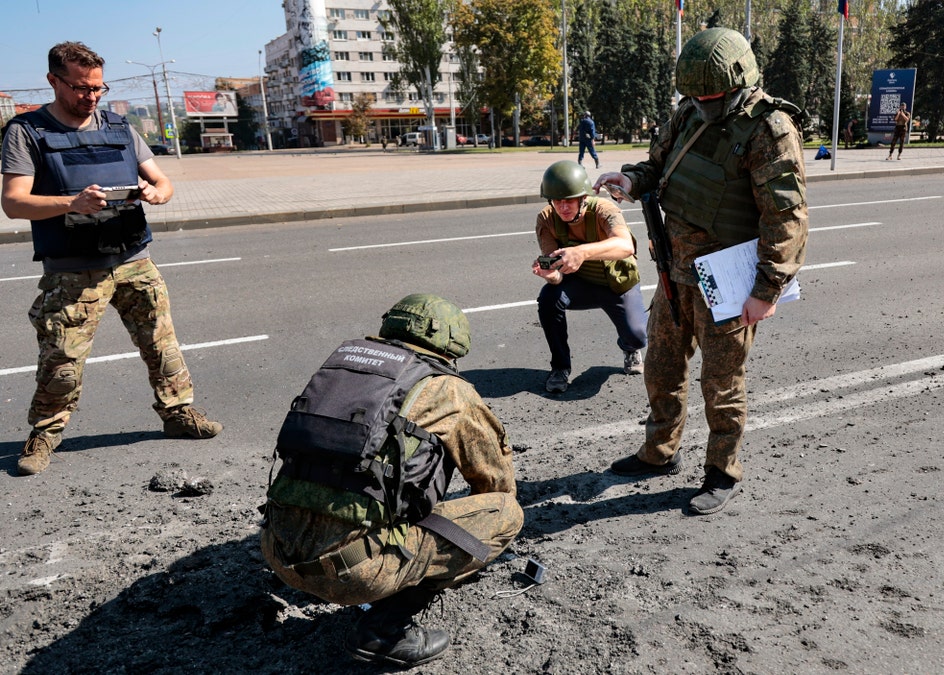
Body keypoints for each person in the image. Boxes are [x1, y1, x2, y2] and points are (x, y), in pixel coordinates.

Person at [593, 27, 807, 515]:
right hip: (676, 271)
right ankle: (659, 452)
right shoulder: (688, 113)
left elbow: (786, 218)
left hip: (729, 283)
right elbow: (658, 168)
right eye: (697, 95)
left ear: (739, 82)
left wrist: (768, 289)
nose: (703, 103)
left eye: (713, 96)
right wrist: (630, 179)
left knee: (722, 381)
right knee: (661, 367)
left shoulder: (769, 129)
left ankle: (721, 470)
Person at [260, 294, 524, 669]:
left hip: (279, 553)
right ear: (452, 345)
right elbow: (495, 482)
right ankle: (382, 630)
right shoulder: (449, 390)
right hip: (356, 574)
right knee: (506, 514)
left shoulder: (344, 368)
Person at [1, 42, 221, 477]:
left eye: (99, 88)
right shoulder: (25, 131)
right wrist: (71, 203)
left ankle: (178, 415)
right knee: (61, 357)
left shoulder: (121, 126)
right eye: (81, 88)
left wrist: (159, 193)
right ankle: (44, 434)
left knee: (162, 345)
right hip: (73, 269)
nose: (92, 97)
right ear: (53, 81)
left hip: (134, 257)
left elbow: (161, 180)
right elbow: (13, 202)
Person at [533, 160, 647, 393]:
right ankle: (560, 367)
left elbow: (626, 246)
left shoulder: (605, 210)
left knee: (638, 337)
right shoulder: (547, 219)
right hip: (579, 285)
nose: (563, 207)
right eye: (557, 201)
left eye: (569, 201)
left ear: (582, 198)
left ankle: (629, 347)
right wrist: (550, 275)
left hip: (616, 284)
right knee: (548, 298)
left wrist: (582, 252)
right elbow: (556, 276)